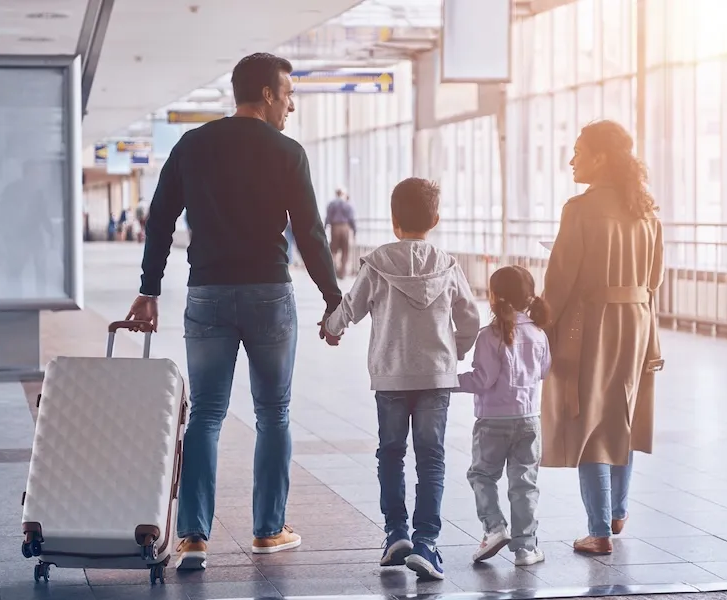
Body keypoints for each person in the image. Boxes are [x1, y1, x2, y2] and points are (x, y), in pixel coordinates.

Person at [125, 52, 343, 570]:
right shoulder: (286, 152)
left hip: (207, 294)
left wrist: (149, 288)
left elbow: (160, 219)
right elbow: (310, 233)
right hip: (268, 292)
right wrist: (335, 298)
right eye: (288, 95)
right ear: (267, 94)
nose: (291, 106)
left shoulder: (193, 145)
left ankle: (193, 537)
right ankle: (269, 530)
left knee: (204, 415)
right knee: (274, 413)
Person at [323, 177, 481, 580]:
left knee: (391, 454)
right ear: (436, 219)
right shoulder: (447, 264)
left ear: (394, 221)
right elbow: (470, 317)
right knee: (431, 458)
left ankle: (396, 532)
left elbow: (351, 307)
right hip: (435, 376)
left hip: (391, 376)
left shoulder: (377, 262)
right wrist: (457, 351)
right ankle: (427, 542)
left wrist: (332, 327)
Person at [540, 119, 664, 556]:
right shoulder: (646, 210)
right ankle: (617, 511)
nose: (571, 160)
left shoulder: (580, 210)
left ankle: (598, 530)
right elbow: (654, 280)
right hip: (637, 321)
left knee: (589, 421)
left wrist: (538, 317)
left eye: (578, 151)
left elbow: (560, 281)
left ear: (601, 157)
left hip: (594, 324)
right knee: (621, 417)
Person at [455, 265, 550, 567]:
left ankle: (494, 528)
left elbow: (482, 380)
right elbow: (544, 371)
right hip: (529, 419)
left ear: (493, 296)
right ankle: (525, 549)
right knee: (524, 483)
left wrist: (447, 381)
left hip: (492, 422)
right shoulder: (538, 333)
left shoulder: (489, 336)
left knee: (482, 475)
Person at [324, 187, 356, 279]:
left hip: (335, 227)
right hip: (345, 227)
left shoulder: (331, 204)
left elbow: (328, 217)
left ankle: (334, 270)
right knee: (345, 250)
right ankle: (342, 273)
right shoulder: (348, 204)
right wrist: (354, 231)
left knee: (333, 250)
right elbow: (352, 219)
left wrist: (324, 228)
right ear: (343, 194)